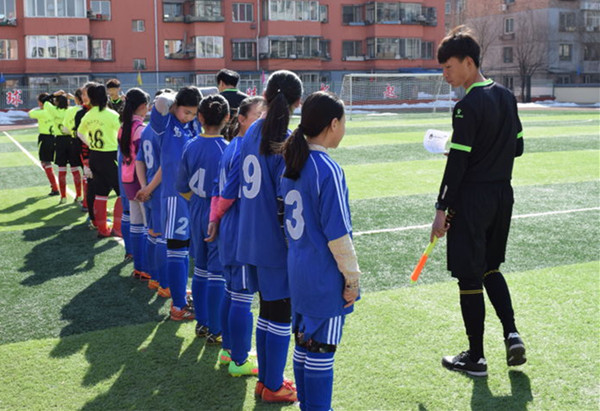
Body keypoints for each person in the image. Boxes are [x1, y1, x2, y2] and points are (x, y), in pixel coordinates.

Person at [430, 26, 526, 377]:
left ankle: (477, 358)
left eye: (449, 67)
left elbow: (458, 165)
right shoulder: (506, 96)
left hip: (472, 200)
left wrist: (441, 209)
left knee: (469, 277)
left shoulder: (466, 106)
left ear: (468, 63)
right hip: (502, 196)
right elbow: (518, 147)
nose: (445, 74)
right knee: (490, 268)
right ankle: (512, 334)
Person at [280, 91, 360, 411]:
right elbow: (338, 235)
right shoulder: (328, 169)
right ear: (333, 124)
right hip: (323, 276)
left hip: (297, 269)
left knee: (304, 344)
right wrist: (352, 279)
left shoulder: (293, 164)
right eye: (344, 122)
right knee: (321, 350)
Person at [237, 70, 302, 403]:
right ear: (298, 103)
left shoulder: (252, 131)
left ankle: (266, 380)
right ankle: (273, 385)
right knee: (279, 313)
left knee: (267, 309)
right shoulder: (285, 139)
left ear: (264, 96)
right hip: (273, 240)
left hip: (248, 233)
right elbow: (286, 198)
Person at [206, 96, 265, 377]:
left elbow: (217, 189)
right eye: (258, 115)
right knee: (241, 295)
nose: (263, 121)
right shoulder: (244, 149)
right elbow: (227, 193)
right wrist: (216, 217)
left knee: (231, 291)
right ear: (241, 119)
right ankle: (240, 360)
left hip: (230, 228)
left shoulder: (231, 146)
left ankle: (228, 351)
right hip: (240, 229)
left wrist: (214, 219)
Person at [176, 94, 229, 343]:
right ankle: (216, 330)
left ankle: (202, 323)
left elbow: (181, 185)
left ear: (199, 117)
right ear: (227, 118)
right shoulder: (227, 149)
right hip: (217, 210)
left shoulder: (190, 145)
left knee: (200, 267)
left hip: (196, 206)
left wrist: (195, 201)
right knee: (217, 270)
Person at [147, 86, 201, 321]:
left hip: (193, 196)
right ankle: (178, 306)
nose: (189, 117)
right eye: (186, 112)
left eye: (193, 113)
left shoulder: (192, 124)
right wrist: (174, 98)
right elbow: (160, 102)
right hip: (174, 197)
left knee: (185, 250)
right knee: (176, 249)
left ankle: (179, 293)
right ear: (176, 106)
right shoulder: (166, 123)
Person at [136, 89, 173, 297]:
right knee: (162, 238)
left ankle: (153, 278)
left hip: (149, 188)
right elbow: (166, 165)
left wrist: (144, 187)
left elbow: (139, 161)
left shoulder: (148, 129)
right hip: (160, 191)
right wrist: (149, 188)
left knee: (151, 234)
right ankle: (164, 284)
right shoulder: (164, 130)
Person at [77, 82, 123, 238]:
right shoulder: (112, 115)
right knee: (121, 193)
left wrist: (91, 144)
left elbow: (79, 133)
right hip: (111, 156)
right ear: (105, 96)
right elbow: (122, 134)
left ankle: (102, 229)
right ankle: (117, 228)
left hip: (95, 156)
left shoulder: (88, 115)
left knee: (100, 194)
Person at [118, 88, 150, 277]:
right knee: (147, 226)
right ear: (143, 106)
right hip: (140, 180)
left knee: (136, 224)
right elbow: (143, 160)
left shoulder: (124, 127)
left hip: (127, 179)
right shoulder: (140, 129)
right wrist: (147, 185)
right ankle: (146, 268)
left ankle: (139, 267)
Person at [28, 92, 59, 196]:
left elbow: (30, 113)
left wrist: (40, 108)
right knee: (55, 164)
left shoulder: (42, 112)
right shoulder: (55, 110)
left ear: (42, 102)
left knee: (45, 163)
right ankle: (57, 187)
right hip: (56, 137)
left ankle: (55, 188)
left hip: (45, 138)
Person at [61, 88, 85, 206]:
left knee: (75, 169)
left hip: (74, 141)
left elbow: (65, 129)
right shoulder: (89, 110)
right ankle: (88, 199)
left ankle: (79, 195)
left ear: (75, 98)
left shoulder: (71, 111)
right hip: (89, 143)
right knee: (88, 172)